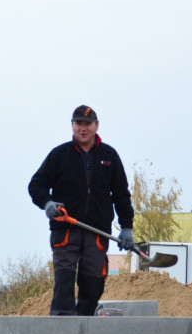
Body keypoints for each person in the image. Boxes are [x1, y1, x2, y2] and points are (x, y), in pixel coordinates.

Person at [28, 104, 135, 316]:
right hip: (65, 229)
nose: (82, 128)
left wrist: (127, 227)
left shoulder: (109, 157)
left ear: (96, 126)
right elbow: (36, 185)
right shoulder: (59, 155)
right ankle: (61, 331)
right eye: (78, 124)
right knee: (64, 282)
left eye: (87, 124)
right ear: (72, 126)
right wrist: (47, 203)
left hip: (97, 231)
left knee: (93, 283)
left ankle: (84, 326)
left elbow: (121, 194)